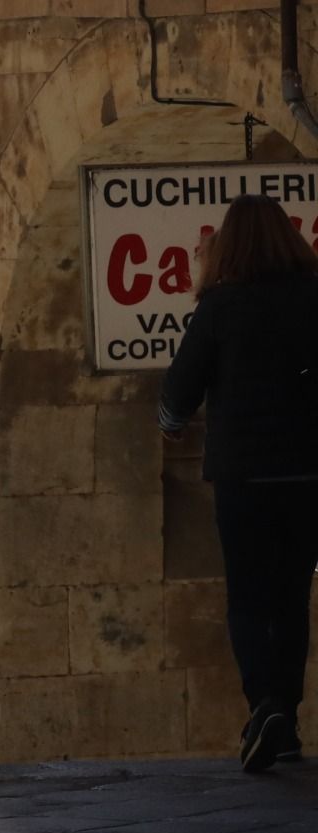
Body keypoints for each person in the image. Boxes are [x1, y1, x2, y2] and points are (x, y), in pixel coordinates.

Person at [158, 193, 318, 772]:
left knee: (249, 597)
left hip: (244, 477)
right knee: (292, 596)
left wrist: (171, 427)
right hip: (307, 475)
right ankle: (288, 720)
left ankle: (264, 705)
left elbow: (181, 387)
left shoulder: (221, 306)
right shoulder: (313, 297)